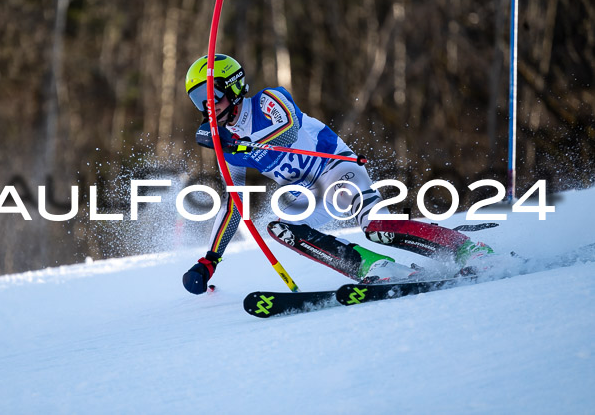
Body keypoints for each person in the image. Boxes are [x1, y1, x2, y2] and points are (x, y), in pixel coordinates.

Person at [181, 54, 492, 294]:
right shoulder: (229, 145)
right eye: (200, 101)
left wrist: (240, 143)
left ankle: (467, 249)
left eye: (213, 96)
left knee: (375, 226)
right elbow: (234, 204)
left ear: (234, 87)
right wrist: (210, 260)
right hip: (310, 197)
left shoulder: (268, 101)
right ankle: (377, 268)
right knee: (282, 228)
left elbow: (289, 132)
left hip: (337, 169)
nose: (208, 107)